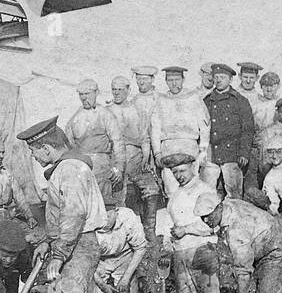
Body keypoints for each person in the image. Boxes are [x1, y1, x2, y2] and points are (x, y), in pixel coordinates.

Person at [16, 118, 110, 293]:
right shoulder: (69, 168)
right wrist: (49, 240)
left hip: (77, 245)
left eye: (34, 151)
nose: (34, 157)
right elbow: (64, 217)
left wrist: (59, 252)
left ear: (46, 148)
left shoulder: (69, 170)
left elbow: (74, 214)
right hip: (80, 243)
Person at [160, 153, 222, 293]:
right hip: (180, 257)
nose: (179, 176)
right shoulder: (174, 198)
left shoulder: (205, 191)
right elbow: (168, 230)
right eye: (175, 172)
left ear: (193, 167)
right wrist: (166, 247)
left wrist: (185, 229)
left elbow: (212, 224)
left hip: (203, 252)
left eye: (182, 171)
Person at [107, 72, 159, 243]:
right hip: (116, 160)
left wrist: (146, 157)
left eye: (120, 89)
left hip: (136, 159)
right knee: (118, 196)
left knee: (151, 190)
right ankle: (122, 235)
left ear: (128, 90)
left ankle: (149, 229)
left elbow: (144, 137)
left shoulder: (137, 110)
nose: (117, 93)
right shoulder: (107, 111)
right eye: (114, 89)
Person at [65, 78, 125, 206]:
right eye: (81, 94)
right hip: (83, 166)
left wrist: (119, 167)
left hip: (103, 165)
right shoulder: (75, 118)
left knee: (104, 204)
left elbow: (118, 142)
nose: (84, 98)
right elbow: (69, 144)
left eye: (88, 94)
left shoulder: (105, 114)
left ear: (96, 93)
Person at [150, 65, 209, 196]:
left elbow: (205, 127)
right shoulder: (160, 100)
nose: (174, 83)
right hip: (168, 149)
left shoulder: (194, 97)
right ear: (166, 81)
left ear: (183, 79)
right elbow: (155, 129)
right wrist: (157, 153)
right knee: (171, 187)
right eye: (170, 80)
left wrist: (203, 152)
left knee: (191, 187)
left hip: (189, 147)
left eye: (177, 79)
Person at [203, 62, 255, 197]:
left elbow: (247, 129)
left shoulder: (240, 100)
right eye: (216, 77)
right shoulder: (207, 101)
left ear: (230, 80)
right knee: (206, 193)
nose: (218, 80)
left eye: (222, 77)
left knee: (234, 194)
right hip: (211, 154)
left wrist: (244, 153)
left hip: (232, 154)